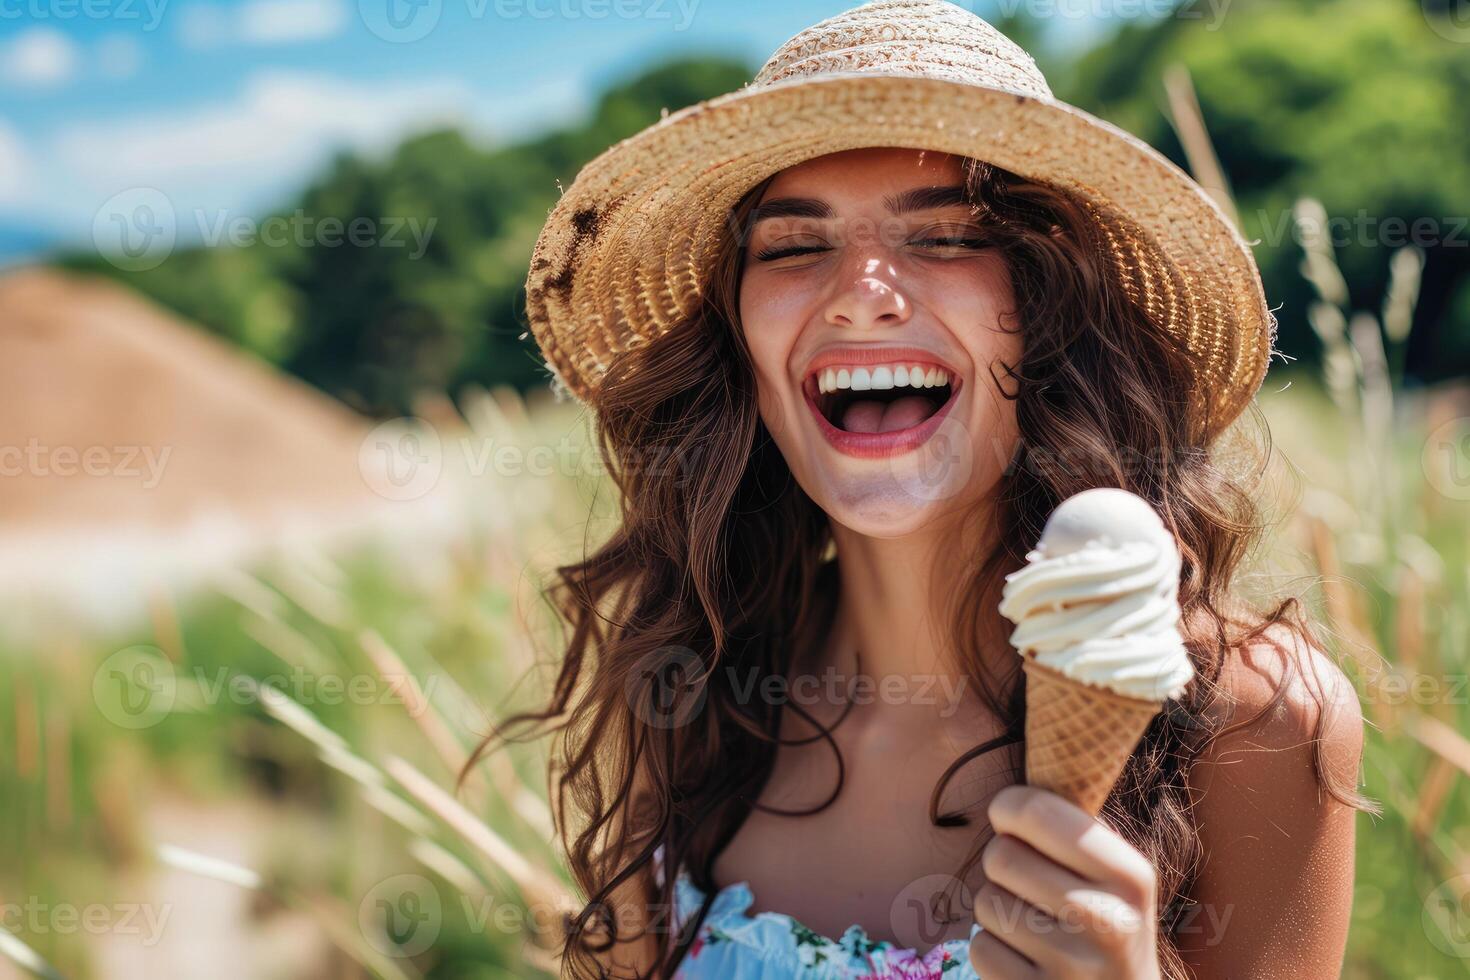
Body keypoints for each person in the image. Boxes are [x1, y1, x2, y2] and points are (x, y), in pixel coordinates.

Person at [487, 1, 1379, 976]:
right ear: (736, 346)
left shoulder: (1253, 721)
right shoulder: (686, 684)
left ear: (1047, 311)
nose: (863, 287)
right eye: (791, 245)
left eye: (948, 237)